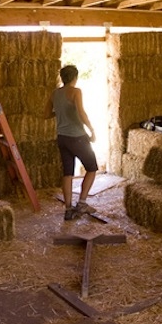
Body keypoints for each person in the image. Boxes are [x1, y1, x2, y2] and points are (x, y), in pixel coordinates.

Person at [44, 65, 98, 221]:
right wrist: (92, 129)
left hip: (62, 138)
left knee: (67, 173)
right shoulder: (76, 91)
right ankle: (81, 203)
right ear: (75, 77)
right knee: (92, 167)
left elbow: (46, 114)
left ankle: (68, 209)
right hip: (77, 137)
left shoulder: (55, 94)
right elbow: (81, 112)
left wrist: (60, 112)